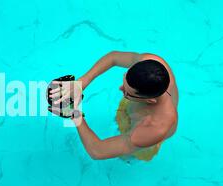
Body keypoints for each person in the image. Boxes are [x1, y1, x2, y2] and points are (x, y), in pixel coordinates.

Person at [48, 51, 178, 161]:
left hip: (143, 139)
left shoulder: (153, 129)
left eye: (126, 92)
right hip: (136, 108)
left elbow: (97, 151)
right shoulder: (150, 63)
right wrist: (82, 82)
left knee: (127, 159)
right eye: (124, 80)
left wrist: (74, 113)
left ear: (150, 101)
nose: (120, 88)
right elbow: (114, 57)